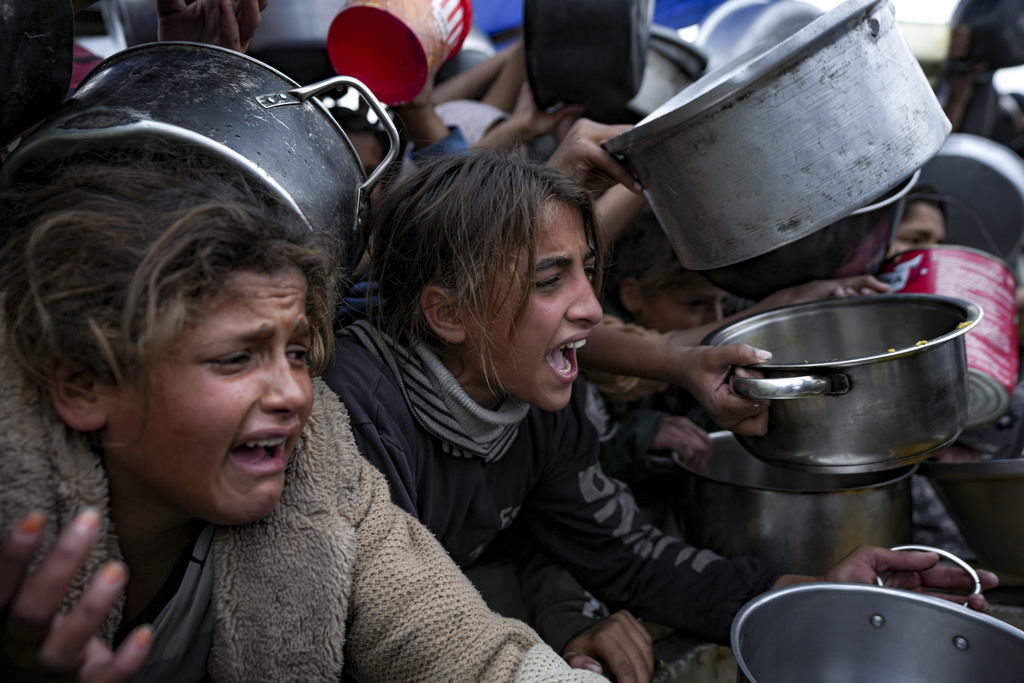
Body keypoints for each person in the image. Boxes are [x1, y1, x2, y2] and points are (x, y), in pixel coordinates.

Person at [323, 150, 997, 683]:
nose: (591, 308)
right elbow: (385, 629)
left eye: (588, 271)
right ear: (446, 314)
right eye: (550, 279)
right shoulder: (356, 411)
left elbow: (633, 560)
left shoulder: (537, 401)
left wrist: (824, 592)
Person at [0, 147, 609, 682]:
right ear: (84, 386)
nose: (295, 393)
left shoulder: (323, 473)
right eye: (236, 357)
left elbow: (463, 648)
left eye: (296, 352)